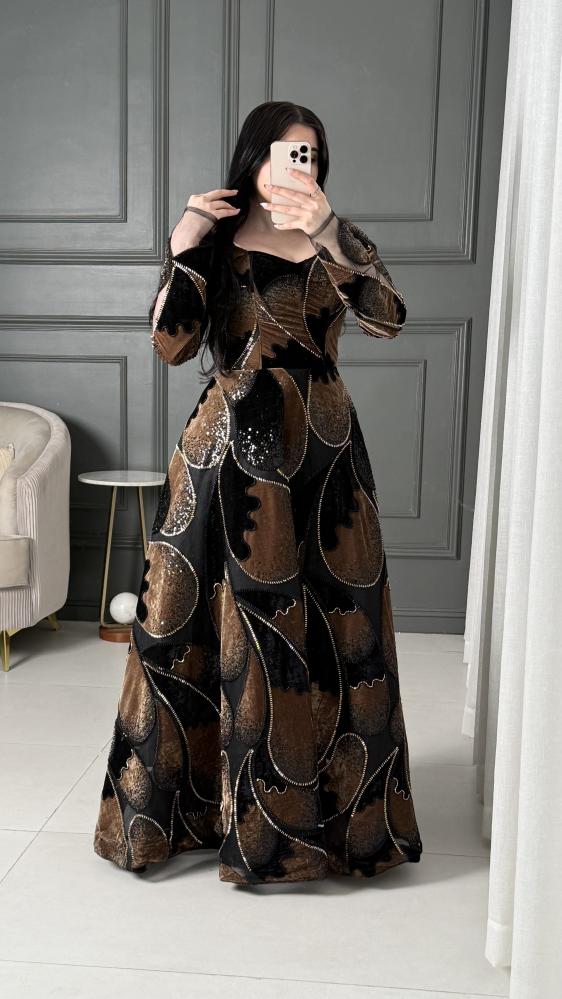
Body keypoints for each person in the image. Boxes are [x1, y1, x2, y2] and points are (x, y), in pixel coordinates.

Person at [93, 100, 423, 885]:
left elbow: (388, 319)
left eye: (311, 153)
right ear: (254, 157)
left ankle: (328, 824)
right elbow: (172, 345)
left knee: (336, 630)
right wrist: (182, 247)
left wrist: (330, 231)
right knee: (189, 630)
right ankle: (193, 816)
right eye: (286, 150)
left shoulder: (335, 236)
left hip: (322, 458)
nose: (298, 165)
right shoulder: (212, 236)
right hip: (226, 454)